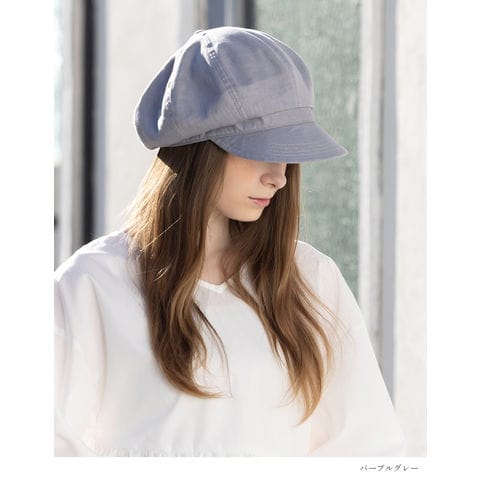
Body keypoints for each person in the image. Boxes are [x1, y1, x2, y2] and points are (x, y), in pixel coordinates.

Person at [54, 26, 406, 457]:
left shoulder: (311, 279)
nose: (279, 177)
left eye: (288, 153)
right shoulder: (94, 283)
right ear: (199, 150)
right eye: (261, 148)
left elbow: (368, 447)